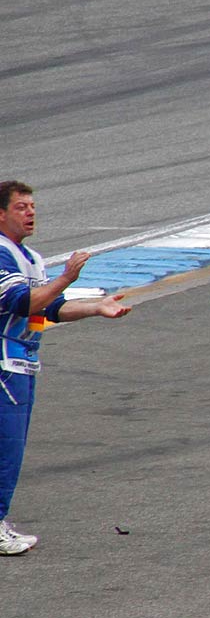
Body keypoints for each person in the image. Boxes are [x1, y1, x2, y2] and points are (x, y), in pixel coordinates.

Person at [0, 181, 132, 555]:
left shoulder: (30, 258)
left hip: (20, 362)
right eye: (21, 207)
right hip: (3, 365)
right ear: (1, 214)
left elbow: (47, 309)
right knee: (6, 448)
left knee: (11, 447)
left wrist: (95, 306)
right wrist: (67, 277)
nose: (31, 213)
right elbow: (23, 301)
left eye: (32, 206)